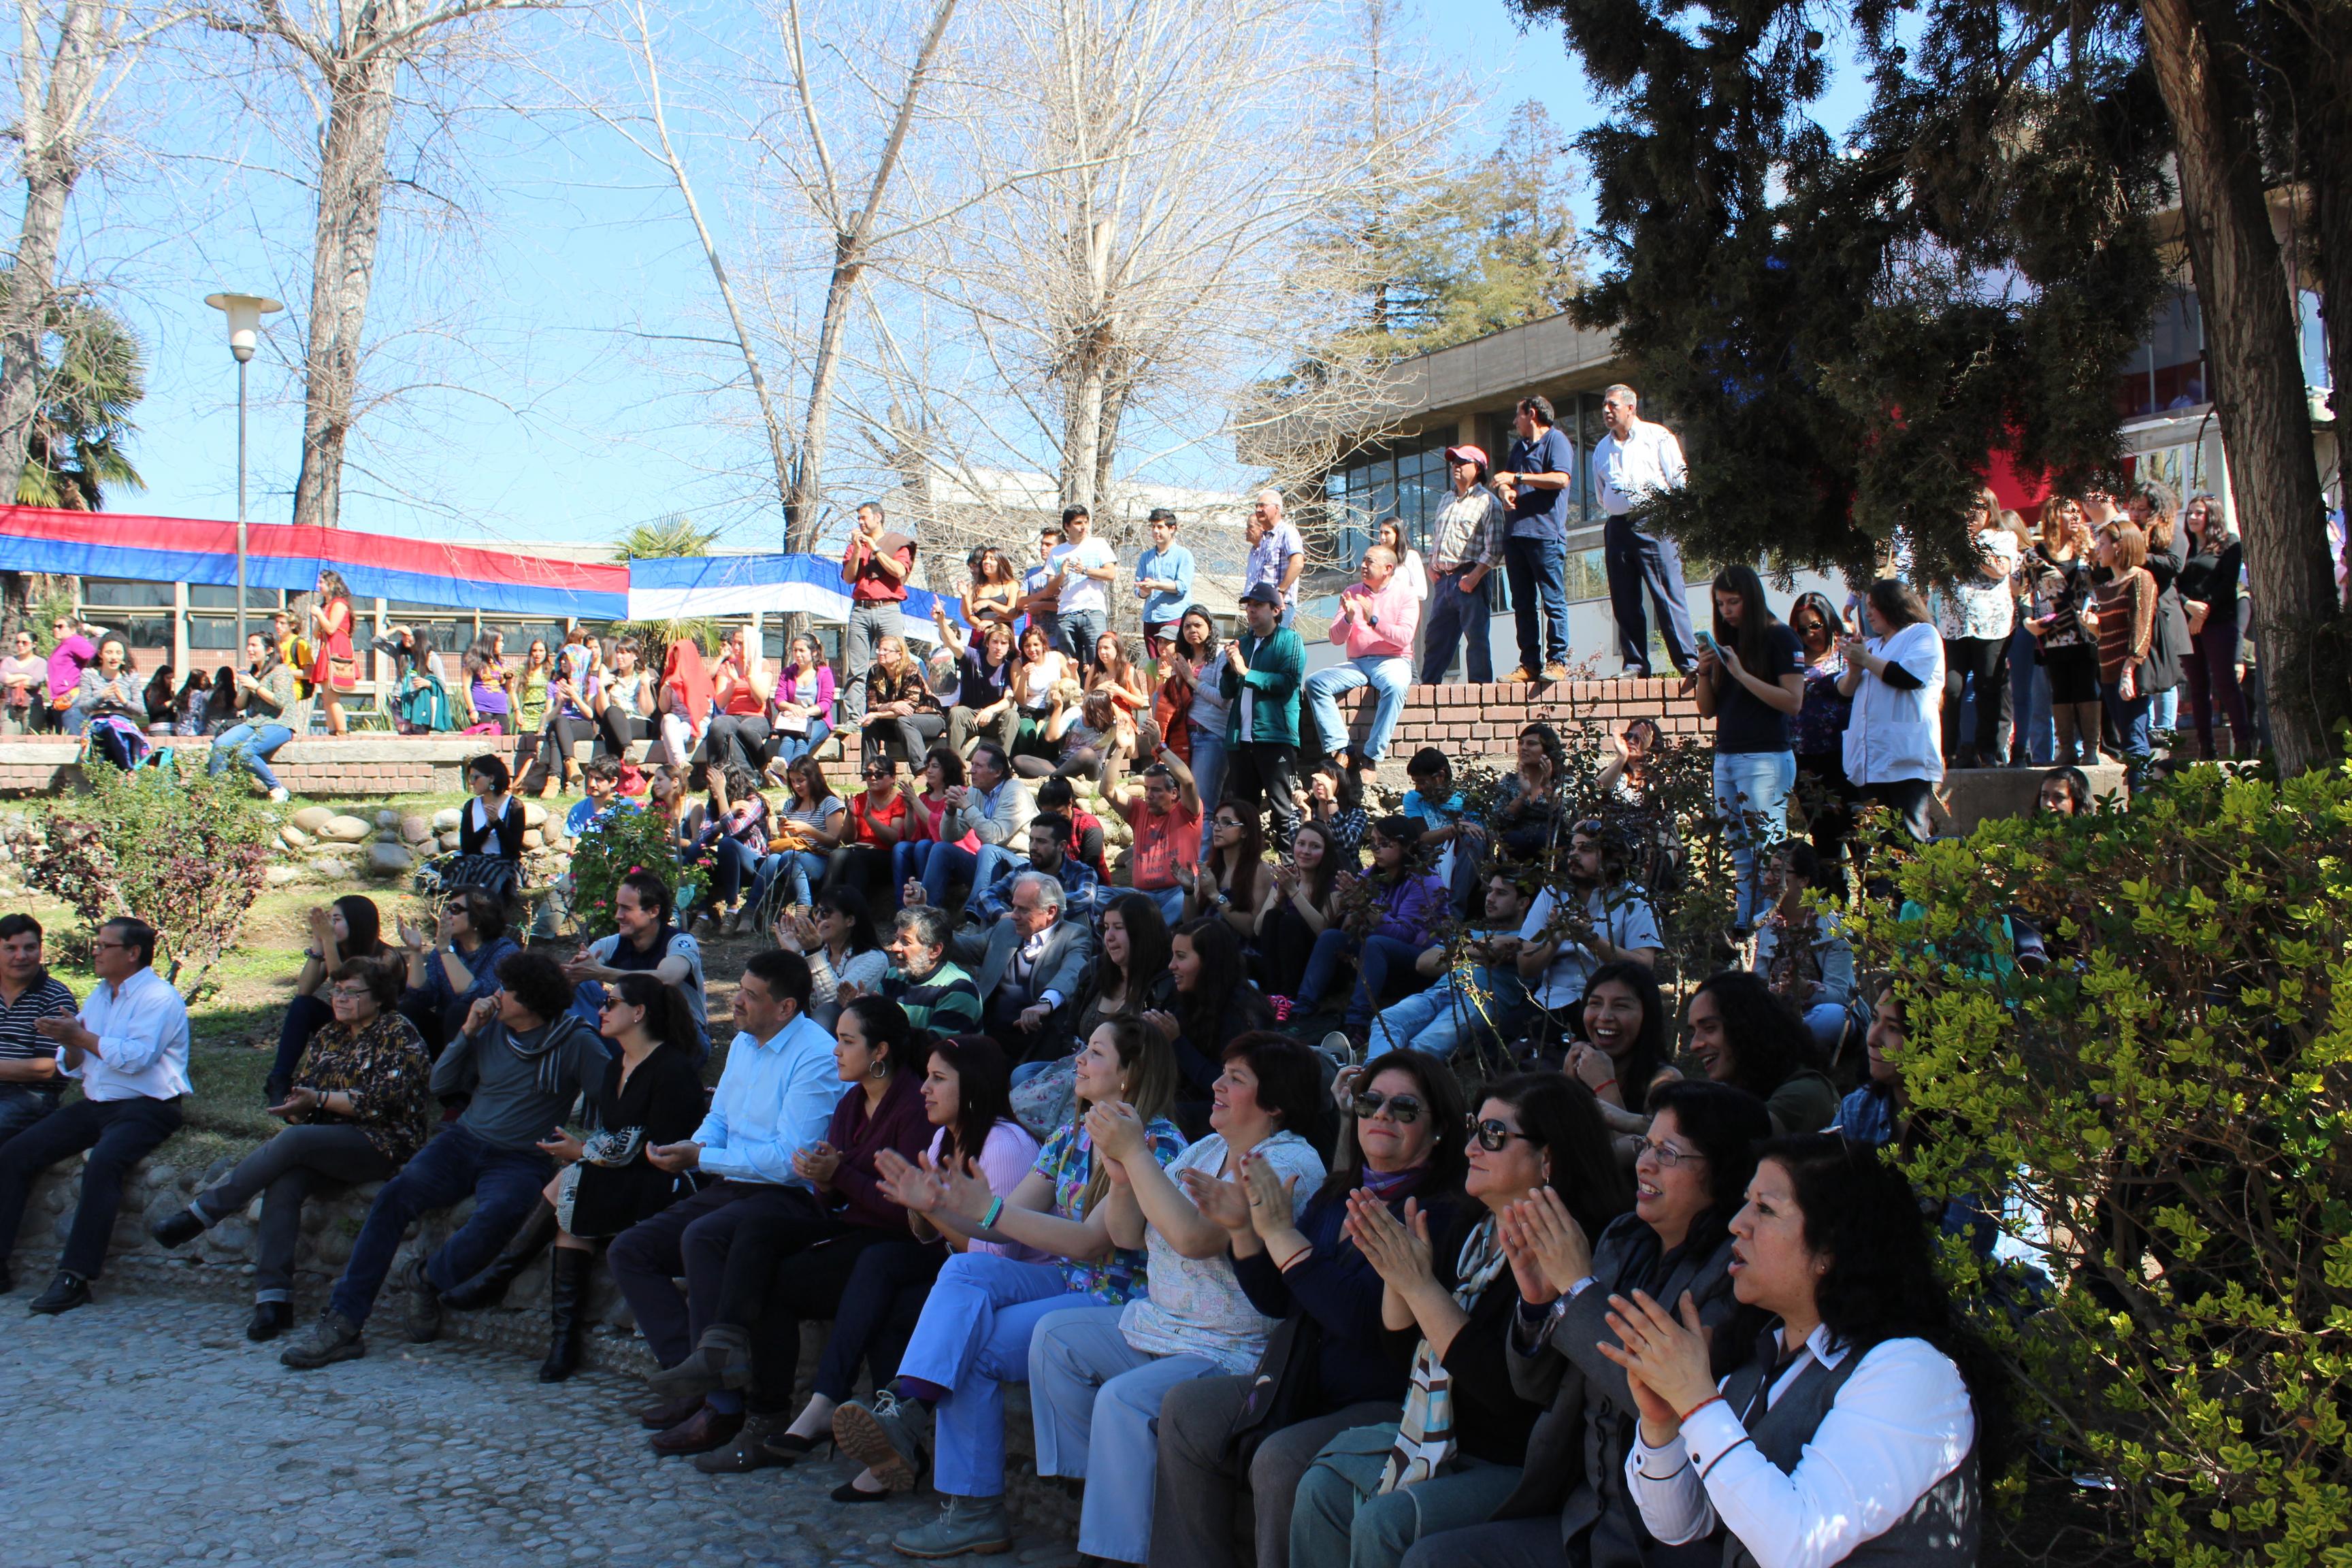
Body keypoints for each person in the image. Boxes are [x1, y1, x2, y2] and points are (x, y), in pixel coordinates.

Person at [832, 1019, 1187, 1557]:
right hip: (1066, 1283)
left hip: (1117, 1304)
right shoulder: (1072, 1136)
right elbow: (1002, 1221)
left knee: (974, 1347)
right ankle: (908, 1408)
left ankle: (968, 1502)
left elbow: (1095, 1244)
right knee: (962, 1271)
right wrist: (935, 1205)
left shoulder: (1157, 1143)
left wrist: (984, 1209)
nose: (1078, 1062)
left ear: (1129, 1075)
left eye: (1093, 1052)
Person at [1411, 1079, 1772, 1568]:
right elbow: (1534, 1388)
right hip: (1580, 1518)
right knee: (1433, 1560)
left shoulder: (1733, 1277)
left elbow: (1665, 1402)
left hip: (1666, 1545)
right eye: (1646, 1146)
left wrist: (1578, 1290)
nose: (1643, 1163)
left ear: (1724, 1170)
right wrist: (1539, 1306)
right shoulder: (1625, 1238)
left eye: (1668, 1153)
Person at [1605, 1134, 1999, 1568]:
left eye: (1766, 1209)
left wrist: (1698, 1405)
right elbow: (1683, 1525)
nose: (1738, 1223)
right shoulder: (1764, 1353)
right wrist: (1661, 1426)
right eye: (1746, 1202)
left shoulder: (1912, 1374)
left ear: (1831, 1246)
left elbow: (1800, 1545)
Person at [1292, 1075, 1635, 1568]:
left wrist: (1421, 1288)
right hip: (1446, 1438)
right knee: (1321, 1489)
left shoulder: (1574, 1251)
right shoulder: (1471, 1227)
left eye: (1494, 1135)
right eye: (1475, 1129)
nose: (1472, 1147)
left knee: (1386, 1521)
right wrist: (1399, 1277)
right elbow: (1402, 1356)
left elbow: (1508, 1396)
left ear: (1548, 1159)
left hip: (1514, 1463)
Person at [1150, 1050, 1469, 1568]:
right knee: (1187, 1410)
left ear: (1437, 1131)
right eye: (1370, 1101)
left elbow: (1363, 1322)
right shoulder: (1341, 1192)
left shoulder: (1436, 1213)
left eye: (1405, 1108)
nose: (1381, 1115)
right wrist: (1244, 1233)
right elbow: (1279, 1300)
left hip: (1383, 1404)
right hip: (1302, 1383)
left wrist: (1279, 1233)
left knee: (1280, 1460)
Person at [1032, 1033, 1329, 1563]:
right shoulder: (1207, 1149)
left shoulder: (1288, 1165)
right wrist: (1123, 1179)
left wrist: (1134, 1154)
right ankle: (1101, 1492)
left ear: (1277, 1103)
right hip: (1163, 1326)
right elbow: (1125, 1235)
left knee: (1122, 1401)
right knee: (1056, 1338)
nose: (1215, 1085)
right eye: (1222, 1073)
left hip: (1228, 1349)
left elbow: (1193, 1239)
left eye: (1235, 1080)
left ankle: (1113, 1554)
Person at [277, 950, 608, 1367]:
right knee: (395, 1197)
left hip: (521, 1158)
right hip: (462, 1141)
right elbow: (441, 1084)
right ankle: (343, 1322)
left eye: (505, 990)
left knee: (501, 1214)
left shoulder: (576, 1042)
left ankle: (426, 1278)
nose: (495, 995)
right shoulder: (490, 1030)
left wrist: (585, 1148)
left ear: (529, 1000)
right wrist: (468, 1032)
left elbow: (613, 1099)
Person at [646, 994, 934, 1471]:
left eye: (846, 1041)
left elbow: (904, 1211)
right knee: (758, 1226)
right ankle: (725, 1348)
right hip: (849, 1227)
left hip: (890, 1244)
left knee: (775, 1282)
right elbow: (834, 1196)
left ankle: (763, 1416)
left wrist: (836, 1177)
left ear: (879, 1051)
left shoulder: (910, 1109)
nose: (836, 1051)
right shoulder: (851, 1103)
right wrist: (823, 1178)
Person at [608, 949, 840, 1455]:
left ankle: (723, 1407)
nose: (735, 1001)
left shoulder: (815, 1056)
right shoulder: (743, 1043)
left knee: (703, 1238)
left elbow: (788, 1161)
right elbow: (721, 1121)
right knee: (631, 1250)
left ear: (786, 1008)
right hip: (731, 1182)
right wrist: (687, 1150)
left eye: (750, 996)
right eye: (739, 988)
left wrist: (705, 1157)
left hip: (789, 1199)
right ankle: (690, 1378)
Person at [797, 1034, 1036, 1494]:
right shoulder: (944, 1135)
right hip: (969, 1270)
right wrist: (920, 1208)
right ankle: (889, 1443)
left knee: (903, 1291)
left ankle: (886, 1429)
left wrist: (929, 1210)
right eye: (926, 1076)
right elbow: (929, 1234)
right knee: (888, 1286)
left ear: (974, 1087)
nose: (924, 1088)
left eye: (938, 1078)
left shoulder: (1004, 1145)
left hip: (1023, 1279)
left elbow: (996, 1260)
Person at [153, 956, 433, 1342]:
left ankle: (201, 1214)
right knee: (284, 1181)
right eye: (336, 990)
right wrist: (297, 1110)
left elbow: (378, 1102)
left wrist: (315, 1101)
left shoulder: (400, 1035)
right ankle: (273, 1300)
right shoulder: (330, 1036)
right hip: (324, 1142)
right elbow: (307, 1092)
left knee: (294, 1142)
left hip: (383, 1142)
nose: (340, 999)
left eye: (352, 992)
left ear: (380, 998)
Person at [513, 970, 708, 1381]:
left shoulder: (673, 1069)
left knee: (574, 1184)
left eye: (611, 1003)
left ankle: (500, 1283)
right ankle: (560, 1337)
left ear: (638, 1012)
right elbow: (612, 1134)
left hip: (664, 1180)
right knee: (575, 1188)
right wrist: (582, 1147)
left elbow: (651, 1145)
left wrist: (583, 1151)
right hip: (623, 1174)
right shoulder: (614, 1065)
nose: (601, 1010)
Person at [0, 917, 186, 1311]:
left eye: (104, 946)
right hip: (97, 1103)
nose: (96, 952)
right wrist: (66, 1040)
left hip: (148, 1106)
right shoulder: (102, 994)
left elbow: (136, 1059)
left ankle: (75, 1276)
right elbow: (73, 1063)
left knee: (104, 1162)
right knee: (16, 1153)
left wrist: (78, 1037)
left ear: (132, 953)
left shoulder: (159, 997)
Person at [1693, 565, 1804, 930]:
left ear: (1752, 599)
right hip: (1726, 756)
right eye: (1721, 603)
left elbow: (1793, 701)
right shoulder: (1729, 642)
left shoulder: (1781, 638)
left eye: (1734, 602)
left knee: (1768, 856)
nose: (1727, 611)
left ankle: (1776, 934)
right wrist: (1705, 672)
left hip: (1765, 758)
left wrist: (1741, 673)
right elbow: (1708, 710)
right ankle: (1746, 930)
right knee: (1741, 856)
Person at [1294, 817, 1448, 1045]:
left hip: (1418, 962)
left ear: (1407, 846)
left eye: (1385, 843)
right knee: (1332, 937)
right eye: (1373, 842)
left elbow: (1403, 935)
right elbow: (1350, 927)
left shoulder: (1426, 882)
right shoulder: (1370, 875)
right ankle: (1302, 1007)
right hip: (1377, 958)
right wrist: (1351, 911)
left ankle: (1358, 1022)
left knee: (1376, 942)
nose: (1376, 849)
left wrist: (1366, 903)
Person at [1516, 821, 1665, 1051]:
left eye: (1585, 850)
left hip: (1610, 1006)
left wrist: (1591, 940)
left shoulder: (1636, 899)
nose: (1573, 856)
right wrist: (1554, 939)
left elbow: (1644, 966)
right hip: (1554, 1003)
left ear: (1611, 860)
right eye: (1573, 849)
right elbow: (1525, 967)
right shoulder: (1551, 893)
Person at [1367, 868, 1533, 1063]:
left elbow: (1510, 946)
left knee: (1422, 1047)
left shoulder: (1529, 940)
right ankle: (1372, 1081)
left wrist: (1465, 951)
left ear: (1523, 903)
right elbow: (1424, 963)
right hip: (1437, 993)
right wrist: (1470, 952)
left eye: (1501, 893)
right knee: (1386, 1021)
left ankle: (1379, 1081)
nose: (1490, 898)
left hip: (1478, 1003)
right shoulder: (1469, 934)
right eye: (1489, 891)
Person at [1590, 383, 1697, 679]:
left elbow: (1679, 480)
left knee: (1667, 593)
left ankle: (1688, 661)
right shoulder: (1601, 448)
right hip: (1618, 526)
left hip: (1656, 523)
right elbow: (1602, 495)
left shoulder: (1657, 436)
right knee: (1624, 598)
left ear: (1630, 408)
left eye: (1612, 405)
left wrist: (1677, 522)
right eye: (1604, 406)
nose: (1606, 411)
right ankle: (1635, 664)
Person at [1837, 579, 1946, 845]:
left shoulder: (1922, 634)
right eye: (1867, 607)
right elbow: (1843, 691)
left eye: (1875, 606)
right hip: (1869, 762)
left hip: (1906, 761)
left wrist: (1864, 660)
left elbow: (1909, 677)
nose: (1869, 613)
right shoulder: (1872, 646)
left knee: (1907, 841)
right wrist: (1854, 667)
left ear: (1894, 605)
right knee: (1876, 845)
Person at [945, 868, 1094, 1061]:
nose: (1013, 915)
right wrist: (926, 916)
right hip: (988, 1029)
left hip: (1036, 1039)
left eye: (1023, 910)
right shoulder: (1006, 927)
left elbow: (1072, 972)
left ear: (1050, 912)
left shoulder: (1074, 935)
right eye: (1013, 906)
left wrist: (1046, 1003)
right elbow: (963, 948)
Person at [1144, 918, 1275, 1131]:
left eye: (1181, 957)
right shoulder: (1188, 997)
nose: (1171, 966)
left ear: (1209, 962)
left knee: (1159, 1118)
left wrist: (1176, 1041)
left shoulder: (1242, 1013)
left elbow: (1228, 1086)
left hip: (1238, 1112)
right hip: (1197, 1101)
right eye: (1173, 955)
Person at [564, 870, 710, 1059]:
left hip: (683, 1035)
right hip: (634, 1030)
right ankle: (588, 1056)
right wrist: (574, 975)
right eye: (618, 907)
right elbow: (580, 974)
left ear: (653, 911)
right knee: (581, 986)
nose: (618, 916)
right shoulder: (611, 944)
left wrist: (600, 972)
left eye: (626, 909)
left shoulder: (680, 942)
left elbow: (667, 978)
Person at [1305, 544, 1422, 774]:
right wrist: (1348, 618)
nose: (1364, 566)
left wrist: (1373, 619)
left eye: (1370, 562)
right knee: (1315, 682)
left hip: (1393, 660)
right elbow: (1335, 638)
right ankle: (1343, 749)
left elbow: (1404, 638)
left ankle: (1371, 756)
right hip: (1358, 663)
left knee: (1397, 685)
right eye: (1364, 561)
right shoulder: (1352, 592)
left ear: (1388, 569)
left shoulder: (1406, 594)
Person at [266, 894, 391, 1103]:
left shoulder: (386, 956)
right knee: (302, 1005)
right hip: (343, 1023)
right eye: (328, 920)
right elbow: (304, 990)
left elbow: (342, 986)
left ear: (357, 922)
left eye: (336, 920)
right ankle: (279, 1079)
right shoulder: (337, 952)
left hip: (375, 1029)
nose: (329, 926)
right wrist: (318, 945)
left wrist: (329, 941)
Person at [1488, 395, 1578, 681]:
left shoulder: (1557, 441)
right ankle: (1530, 663)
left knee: (1552, 600)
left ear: (1533, 414)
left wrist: (1518, 479)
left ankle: (1557, 661)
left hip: (1545, 535)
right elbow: (1506, 482)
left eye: (1518, 415)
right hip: (1516, 536)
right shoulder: (1519, 448)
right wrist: (1505, 493)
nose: (1515, 422)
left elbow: (1561, 479)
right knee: (1523, 603)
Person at [1684, 970, 1837, 1135]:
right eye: (1693, 1033)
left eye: (1710, 1028)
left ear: (1748, 1026)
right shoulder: (1744, 1086)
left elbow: (1727, 1143)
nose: (1694, 1045)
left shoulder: (1803, 1094)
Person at [1936, 487, 2021, 768]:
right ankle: (1949, 751)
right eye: (1964, 509)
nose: (1969, 515)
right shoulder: (1947, 541)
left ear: (1989, 511)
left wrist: (1972, 545)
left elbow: (2000, 569)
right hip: (1953, 625)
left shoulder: (2002, 537)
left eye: (1976, 509)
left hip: (1990, 625)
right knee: (1952, 689)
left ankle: (1988, 750)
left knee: (1988, 686)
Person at [1561, 960, 1682, 1150]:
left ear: (1647, 1016)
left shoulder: (1664, 1081)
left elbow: (1637, 1160)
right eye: (1595, 1004)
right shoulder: (1576, 1070)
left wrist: (1604, 1085)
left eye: (1621, 1006)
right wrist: (1567, 1087)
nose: (1604, 1017)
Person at [1749, 843, 1857, 1056]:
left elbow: (1839, 997)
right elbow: (1757, 986)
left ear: (1804, 880)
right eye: (1768, 869)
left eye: (1779, 871)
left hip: (1818, 1015)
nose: (1769, 877)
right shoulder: (1762, 925)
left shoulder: (1835, 927)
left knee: (1833, 1016)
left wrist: (1806, 989)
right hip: (1776, 1014)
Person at [1223, 581, 1308, 849]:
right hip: (1240, 740)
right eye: (1249, 606)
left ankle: (1292, 873)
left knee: (1283, 810)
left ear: (1276, 610)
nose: (1251, 611)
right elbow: (1227, 690)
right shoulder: (1243, 643)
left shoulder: (1290, 640)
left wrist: (1246, 672)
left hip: (1275, 738)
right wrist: (1230, 667)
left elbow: (1287, 682)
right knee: (1244, 813)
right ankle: (1246, 874)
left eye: (1258, 605)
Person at [913, 740, 1036, 913]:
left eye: (979, 766)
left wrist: (966, 807)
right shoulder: (974, 792)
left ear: (998, 772)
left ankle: (974, 915)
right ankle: (925, 914)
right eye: (972, 765)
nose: (972, 770)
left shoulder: (1015, 791)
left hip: (1022, 865)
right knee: (941, 848)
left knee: (988, 850)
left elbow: (994, 837)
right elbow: (950, 836)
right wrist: (950, 811)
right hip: (988, 865)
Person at [2080, 520, 2159, 787]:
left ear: (2120, 546)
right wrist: (2092, 626)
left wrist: (2130, 669)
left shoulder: (2140, 579)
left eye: (2102, 544)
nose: (2097, 549)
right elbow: (2104, 634)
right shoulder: (2107, 587)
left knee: (2135, 741)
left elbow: (2141, 627)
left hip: (2129, 674)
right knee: (2127, 739)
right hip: (2109, 673)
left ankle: (2143, 807)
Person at [2025, 497, 2104, 766]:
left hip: (2085, 631)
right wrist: (2028, 623)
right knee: (2061, 689)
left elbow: (2103, 583)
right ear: (2052, 516)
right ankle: (2067, 748)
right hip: (2053, 633)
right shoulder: (2034, 555)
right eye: (2068, 511)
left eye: (2076, 511)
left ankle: (2091, 749)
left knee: (2086, 687)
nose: (2075, 516)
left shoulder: (2089, 550)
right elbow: (2021, 593)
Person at [1785, 591, 1854, 893]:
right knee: (1824, 838)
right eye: (1801, 629)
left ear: (1828, 622)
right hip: (1804, 759)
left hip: (1843, 756)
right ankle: (1834, 905)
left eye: (1815, 626)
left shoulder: (1845, 652)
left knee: (1856, 832)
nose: (1809, 634)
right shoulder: (1791, 657)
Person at [396, 887, 519, 1055]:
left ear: (477, 919)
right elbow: (422, 997)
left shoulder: (504, 951)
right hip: (446, 1033)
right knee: (408, 1008)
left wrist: (445, 950)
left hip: (485, 1035)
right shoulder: (447, 949)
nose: (446, 915)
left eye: (455, 909)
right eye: (446, 908)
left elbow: (477, 995)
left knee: (460, 1011)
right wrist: (415, 951)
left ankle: (459, 1077)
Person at [2178, 493, 2249, 759]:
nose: (2193, 517)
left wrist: (2202, 613)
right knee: (2197, 686)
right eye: (2191, 513)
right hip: (2189, 623)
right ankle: (2206, 747)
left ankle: (2243, 742)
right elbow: (2174, 583)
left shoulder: (2229, 544)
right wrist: (2188, 606)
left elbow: (2227, 584)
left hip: (2218, 621)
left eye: (2199, 513)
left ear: (2213, 516)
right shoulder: (2184, 546)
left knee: (2225, 681)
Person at [0, 914, 77, 1149]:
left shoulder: (55, 998)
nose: (20, 956)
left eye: (30, 948)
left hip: (29, 1096)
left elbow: (50, 1068)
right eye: (10, 948)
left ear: (41, 950)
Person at [772, 887, 890, 1031]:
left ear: (850, 920)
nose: (818, 918)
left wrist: (814, 952)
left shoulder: (875, 959)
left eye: (826, 913)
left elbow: (832, 1003)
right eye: (816, 912)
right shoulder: (816, 952)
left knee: (826, 1013)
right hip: (812, 1029)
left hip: (854, 1032)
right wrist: (793, 954)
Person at [841, 499, 915, 728]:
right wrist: (857, 550)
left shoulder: (897, 543)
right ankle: (854, 718)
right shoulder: (855, 545)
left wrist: (875, 548)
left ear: (878, 517)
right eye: (859, 519)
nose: (861, 522)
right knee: (856, 668)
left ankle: (897, 711)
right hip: (861, 610)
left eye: (864, 517)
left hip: (888, 608)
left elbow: (899, 571)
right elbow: (848, 578)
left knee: (897, 662)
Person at [1105, 749, 1200, 924]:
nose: (1148, 795)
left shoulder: (1187, 812)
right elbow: (1107, 789)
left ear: (1174, 793)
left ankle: (1146, 930)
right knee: (1099, 895)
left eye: (1155, 790)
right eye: (1147, 789)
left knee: (1183, 902)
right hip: (1142, 896)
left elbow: (1187, 782)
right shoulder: (1139, 810)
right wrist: (1120, 749)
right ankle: (1147, 926)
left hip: (1178, 892)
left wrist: (1159, 747)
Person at [962, 811, 1106, 926]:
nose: (1033, 847)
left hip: (1067, 945)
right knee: (996, 911)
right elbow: (985, 895)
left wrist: (1035, 907)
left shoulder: (1082, 872)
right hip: (1027, 942)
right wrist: (1001, 915)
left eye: (1041, 842)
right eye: (1031, 840)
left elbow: (1087, 897)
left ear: (1062, 846)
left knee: (1079, 916)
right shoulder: (1023, 871)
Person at [212, 634, 310, 802]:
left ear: (269, 650)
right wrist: (246, 686)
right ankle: (217, 795)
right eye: (248, 645)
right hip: (254, 723)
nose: (249, 649)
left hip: (279, 724)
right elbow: (239, 705)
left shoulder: (281, 671)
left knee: (245, 753)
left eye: (254, 645)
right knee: (220, 744)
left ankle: (277, 788)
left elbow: (280, 702)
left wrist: (256, 687)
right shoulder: (254, 673)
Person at [1074, 894, 1174, 1056]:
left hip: (1127, 1078)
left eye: (1118, 927)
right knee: (1024, 1072)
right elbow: (1069, 1030)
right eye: (1106, 927)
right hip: (1079, 1066)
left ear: (1143, 932)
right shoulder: (1094, 970)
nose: (1109, 936)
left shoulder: (1165, 985)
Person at [1251, 813, 1335, 997]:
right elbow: (1258, 929)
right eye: (1301, 844)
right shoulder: (1286, 880)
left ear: (1326, 852)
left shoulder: (1333, 885)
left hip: (1316, 962)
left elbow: (1323, 931)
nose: (1305, 851)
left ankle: (1290, 997)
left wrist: (1294, 893)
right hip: (1280, 964)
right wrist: (1280, 896)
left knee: (1291, 922)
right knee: (1273, 916)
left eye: (1315, 847)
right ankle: (1274, 995)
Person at [755, 752, 849, 915]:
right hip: (794, 856)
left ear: (813, 778)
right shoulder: (790, 804)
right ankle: (750, 910)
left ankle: (803, 908)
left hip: (822, 859)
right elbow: (791, 842)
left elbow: (834, 841)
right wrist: (785, 833)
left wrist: (806, 829)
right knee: (773, 859)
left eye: (801, 780)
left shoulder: (829, 803)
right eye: (793, 781)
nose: (797, 786)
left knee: (789, 856)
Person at [1169, 606, 1228, 857]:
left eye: (1198, 625)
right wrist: (1179, 678)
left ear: (1210, 627)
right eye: (1187, 626)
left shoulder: (1221, 658)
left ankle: (1201, 869)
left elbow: (1224, 700)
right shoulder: (1183, 660)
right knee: (1183, 804)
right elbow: (1173, 700)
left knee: (1204, 805)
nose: (1192, 630)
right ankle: (1184, 863)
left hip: (1211, 735)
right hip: (1183, 737)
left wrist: (1192, 680)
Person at [684, 761, 770, 934]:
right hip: (727, 865)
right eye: (711, 785)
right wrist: (729, 813)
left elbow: (732, 832)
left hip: (752, 865)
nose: (712, 789)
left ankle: (732, 910)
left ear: (729, 783)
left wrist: (722, 795)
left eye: (716, 784)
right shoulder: (714, 805)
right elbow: (702, 838)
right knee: (695, 850)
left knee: (727, 843)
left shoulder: (754, 801)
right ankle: (702, 915)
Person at [872, 905, 985, 1038]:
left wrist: (880, 1020)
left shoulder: (959, 989)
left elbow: (932, 1049)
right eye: (897, 939)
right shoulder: (893, 975)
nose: (895, 947)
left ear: (935, 950)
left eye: (906, 942)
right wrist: (862, 1012)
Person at [934, 611, 1019, 760]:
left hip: (993, 719)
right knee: (956, 712)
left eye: (1004, 643)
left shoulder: (1009, 667)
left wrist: (991, 710)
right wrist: (941, 621)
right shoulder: (973, 657)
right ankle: (957, 770)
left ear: (1009, 647)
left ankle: (1001, 767)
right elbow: (953, 643)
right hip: (970, 717)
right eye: (995, 642)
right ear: (987, 643)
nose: (999, 647)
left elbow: (1009, 700)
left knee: (1012, 715)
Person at [892, 746, 973, 901]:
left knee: (923, 846)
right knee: (901, 848)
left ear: (948, 770)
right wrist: (910, 809)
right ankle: (903, 909)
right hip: (924, 849)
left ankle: (927, 904)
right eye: (928, 766)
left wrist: (915, 801)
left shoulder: (959, 793)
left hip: (954, 853)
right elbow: (911, 836)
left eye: (935, 767)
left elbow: (941, 829)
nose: (928, 771)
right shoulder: (923, 798)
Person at [862, 634, 945, 770]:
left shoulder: (910, 670)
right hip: (898, 724)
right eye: (879, 650)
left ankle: (921, 770)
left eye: (885, 650)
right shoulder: (874, 672)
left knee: (903, 721)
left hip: (930, 719)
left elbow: (908, 709)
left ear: (899, 654)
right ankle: (870, 772)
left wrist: (878, 713)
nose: (880, 653)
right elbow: (872, 706)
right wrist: (892, 705)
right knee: (870, 723)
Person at [1049, 504, 1119, 664]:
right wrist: (1062, 575)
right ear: (1067, 526)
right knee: (1069, 665)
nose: (1083, 527)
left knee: (1100, 662)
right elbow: (1050, 588)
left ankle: (1098, 690)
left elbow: (1110, 573)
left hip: (1093, 612)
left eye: (1086, 522)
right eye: (1078, 523)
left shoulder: (1099, 544)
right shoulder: (1057, 552)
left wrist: (1085, 570)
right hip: (1066, 613)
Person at [1134, 508, 1196, 654]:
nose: (1156, 531)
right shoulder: (1146, 557)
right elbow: (1138, 591)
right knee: (1154, 666)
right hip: (1150, 618)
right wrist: (1145, 590)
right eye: (1153, 527)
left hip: (1173, 617)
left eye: (1160, 527)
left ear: (1172, 529)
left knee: (1174, 664)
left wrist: (1155, 585)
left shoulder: (1183, 555)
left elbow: (1182, 586)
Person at [307, 569, 358, 736]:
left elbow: (331, 628)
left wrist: (320, 614)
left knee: (333, 696)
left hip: (336, 650)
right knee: (327, 698)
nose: (318, 585)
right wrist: (317, 618)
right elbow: (317, 634)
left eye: (322, 582)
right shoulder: (326, 606)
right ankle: (332, 731)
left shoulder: (339, 604)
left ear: (332, 584)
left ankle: (342, 732)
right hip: (326, 649)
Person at [1244, 489, 1307, 623]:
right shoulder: (1265, 538)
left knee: (1275, 644)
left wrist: (1280, 591)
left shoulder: (1287, 532)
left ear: (1277, 508)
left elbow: (1298, 564)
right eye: (1256, 506)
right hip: (1260, 606)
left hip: (1279, 606)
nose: (1258, 509)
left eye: (1263, 505)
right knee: (1259, 644)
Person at [457, 753, 527, 861]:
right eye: (470, 777)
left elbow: (513, 848)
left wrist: (497, 822)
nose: (471, 783)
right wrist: (487, 826)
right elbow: (467, 848)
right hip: (476, 864)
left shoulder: (514, 806)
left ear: (491, 778)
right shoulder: (471, 806)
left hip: (505, 867)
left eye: (475, 777)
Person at [657, 636, 714, 768]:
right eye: (675, 658)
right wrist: (665, 690)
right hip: (675, 723)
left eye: (680, 658)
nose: (677, 661)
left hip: (697, 724)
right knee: (669, 719)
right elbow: (664, 709)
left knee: (670, 735)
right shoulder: (671, 679)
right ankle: (681, 763)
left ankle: (675, 769)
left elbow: (706, 710)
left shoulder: (702, 678)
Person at [44, 613, 95, 734]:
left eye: (60, 626)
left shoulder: (74, 641)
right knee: (64, 742)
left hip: (72, 700)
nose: (56, 629)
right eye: (54, 626)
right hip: (61, 701)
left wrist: (86, 683)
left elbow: (95, 659)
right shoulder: (63, 645)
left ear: (72, 629)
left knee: (73, 741)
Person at [1021, 519, 1066, 649]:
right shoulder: (1032, 573)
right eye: (1042, 544)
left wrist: (1041, 605)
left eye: (1048, 545)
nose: (1043, 548)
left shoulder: (1065, 573)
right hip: (1036, 643)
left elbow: (1068, 604)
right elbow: (1020, 602)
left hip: (1060, 640)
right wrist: (1042, 595)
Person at [958, 545, 1023, 633]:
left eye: (992, 559)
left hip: (1002, 636)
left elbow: (1012, 613)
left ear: (1001, 563)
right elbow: (967, 616)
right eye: (985, 558)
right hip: (980, 634)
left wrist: (989, 603)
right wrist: (964, 596)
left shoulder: (1011, 584)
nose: (986, 562)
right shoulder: (973, 586)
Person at [0, 628, 45, 734]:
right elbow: (4, 679)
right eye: (18, 642)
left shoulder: (40, 662)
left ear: (34, 644)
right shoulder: (9, 661)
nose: (20, 645)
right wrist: (26, 677)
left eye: (24, 642)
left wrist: (13, 679)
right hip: (11, 707)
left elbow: (35, 682)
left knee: (31, 742)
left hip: (33, 708)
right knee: (8, 742)